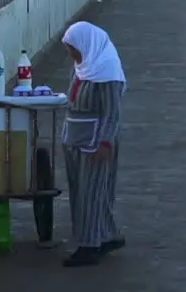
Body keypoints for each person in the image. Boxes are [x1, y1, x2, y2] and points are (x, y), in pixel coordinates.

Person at [60, 21, 127, 267]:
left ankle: (89, 245)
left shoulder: (107, 73)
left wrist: (106, 142)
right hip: (76, 138)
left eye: (73, 49)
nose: (72, 55)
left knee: (93, 193)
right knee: (82, 193)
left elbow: (112, 113)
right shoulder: (83, 68)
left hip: (95, 141)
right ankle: (105, 235)